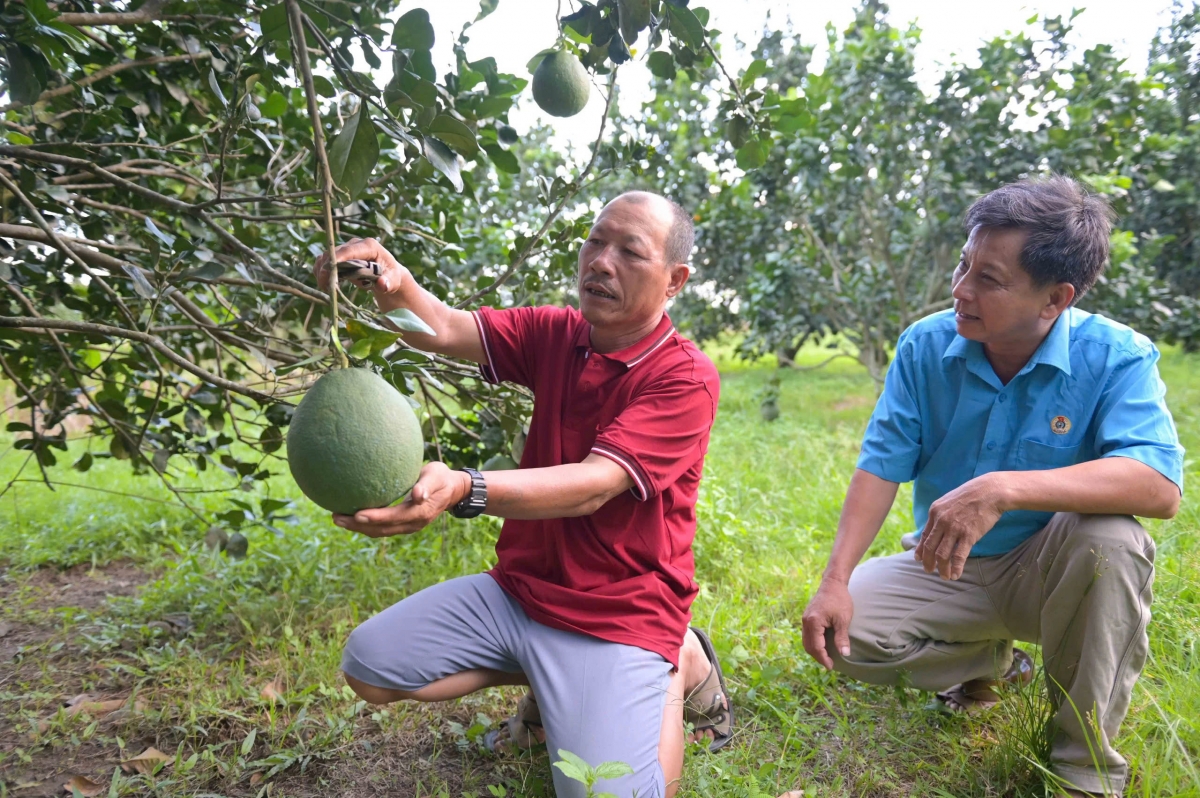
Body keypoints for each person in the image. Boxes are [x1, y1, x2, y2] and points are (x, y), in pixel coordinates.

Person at [311, 191, 733, 798]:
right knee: (370, 665)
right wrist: (393, 282)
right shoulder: (559, 333)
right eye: (596, 241)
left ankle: (672, 665)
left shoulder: (684, 378)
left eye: (629, 251)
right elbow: (446, 331)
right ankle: (556, 680)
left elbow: (592, 486)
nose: (601, 262)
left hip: (620, 615)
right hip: (524, 592)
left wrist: (463, 488)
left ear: (674, 281)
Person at [800, 176, 1184, 797]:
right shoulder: (926, 346)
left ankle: (1083, 768)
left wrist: (1004, 487)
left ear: (1054, 299)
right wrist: (835, 580)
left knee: (1111, 540)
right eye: (964, 264)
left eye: (990, 279)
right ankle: (994, 664)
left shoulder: (1116, 357)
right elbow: (880, 466)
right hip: (947, 564)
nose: (961, 290)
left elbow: (1158, 487)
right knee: (846, 638)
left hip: (1050, 571)